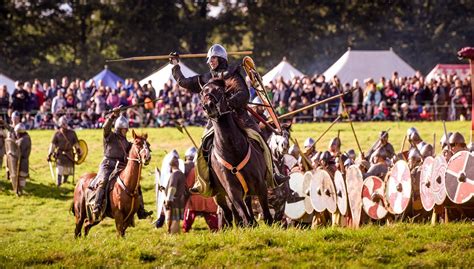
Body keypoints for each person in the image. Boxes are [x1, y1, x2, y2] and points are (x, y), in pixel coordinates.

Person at [170, 44, 288, 195]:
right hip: (216, 121)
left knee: (260, 140)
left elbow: (243, 94)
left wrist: (227, 103)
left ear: (221, 58)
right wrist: (175, 66)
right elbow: (184, 82)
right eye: (209, 59)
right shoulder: (206, 78)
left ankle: (273, 174)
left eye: (213, 58)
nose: (210, 61)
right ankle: (202, 181)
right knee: (203, 147)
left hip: (239, 117)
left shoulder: (232, 74)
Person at [90, 109, 152, 220]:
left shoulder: (126, 142)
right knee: (103, 180)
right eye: (124, 129)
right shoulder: (110, 136)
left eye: (126, 129)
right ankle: (97, 205)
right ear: (119, 128)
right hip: (108, 165)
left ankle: (141, 210)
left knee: (136, 185)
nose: (126, 131)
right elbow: (105, 127)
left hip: (121, 166)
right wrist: (112, 116)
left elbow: (135, 148)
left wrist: (144, 146)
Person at [182, 147, 219, 232]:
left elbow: (188, 184)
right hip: (208, 197)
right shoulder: (211, 169)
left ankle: (185, 230)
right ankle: (215, 230)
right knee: (211, 216)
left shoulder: (194, 170)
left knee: (190, 214)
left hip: (195, 199)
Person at [47, 116, 82, 186]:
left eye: (65, 123)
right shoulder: (57, 134)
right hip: (60, 154)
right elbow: (52, 145)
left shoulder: (72, 133)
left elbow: (76, 144)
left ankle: (65, 181)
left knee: (68, 169)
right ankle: (58, 183)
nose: (64, 125)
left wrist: (79, 152)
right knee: (59, 169)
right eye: (63, 124)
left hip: (69, 154)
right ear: (60, 124)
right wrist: (50, 154)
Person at [165, 154, 187, 234]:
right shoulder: (181, 173)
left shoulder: (175, 175)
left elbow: (172, 188)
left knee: (174, 219)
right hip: (180, 199)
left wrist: (168, 199)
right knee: (176, 219)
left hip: (174, 200)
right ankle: (175, 234)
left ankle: (173, 235)